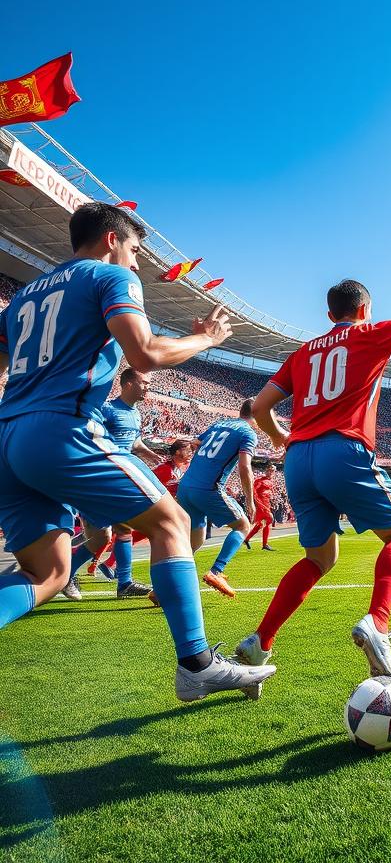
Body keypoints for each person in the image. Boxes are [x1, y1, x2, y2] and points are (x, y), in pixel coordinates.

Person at [0, 202, 274, 700]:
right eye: (133, 248)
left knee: (50, 573)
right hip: (61, 429)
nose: (137, 261)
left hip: (8, 436)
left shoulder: (20, 301)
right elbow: (144, 352)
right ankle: (196, 663)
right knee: (170, 523)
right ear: (111, 239)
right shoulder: (109, 279)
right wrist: (203, 338)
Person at [234, 264, 391, 687]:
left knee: (319, 558)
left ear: (329, 313)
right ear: (365, 309)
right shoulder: (369, 333)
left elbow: (260, 407)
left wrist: (283, 439)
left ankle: (261, 640)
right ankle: (377, 622)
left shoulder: (303, 353)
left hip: (298, 461)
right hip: (344, 449)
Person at [63, 368, 164, 602]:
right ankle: (120, 582)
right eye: (145, 382)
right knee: (115, 531)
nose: (149, 386)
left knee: (107, 536)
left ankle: (117, 581)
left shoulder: (136, 413)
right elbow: (90, 437)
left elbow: (134, 441)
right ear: (128, 384)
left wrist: (149, 454)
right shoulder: (108, 409)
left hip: (118, 476)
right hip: (101, 478)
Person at [177, 401, 259, 597]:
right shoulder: (248, 433)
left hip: (186, 486)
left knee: (193, 543)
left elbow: (195, 443)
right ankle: (217, 571)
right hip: (208, 489)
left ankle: (165, 587)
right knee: (242, 526)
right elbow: (245, 467)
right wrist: (249, 500)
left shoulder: (220, 424)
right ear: (258, 414)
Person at [245, 464, 278, 551]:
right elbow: (254, 492)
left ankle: (247, 539)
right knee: (270, 519)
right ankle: (265, 544)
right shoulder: (259, 480)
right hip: (261, 505)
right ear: (266, 470)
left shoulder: (270, 481)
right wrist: (258, 504)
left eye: (272, 470)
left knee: (260, 525)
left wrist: (272, 502)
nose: (271, 472)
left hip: (267, 504)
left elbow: (269, 493)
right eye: (269, 470)